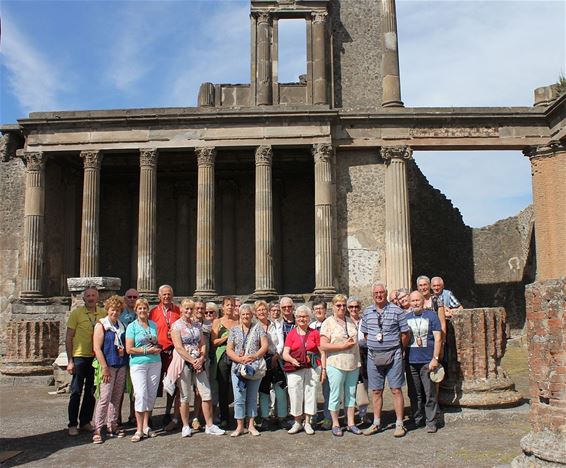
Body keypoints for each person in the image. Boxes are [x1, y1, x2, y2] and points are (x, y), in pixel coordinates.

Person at [169, 299, 225, 437]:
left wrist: (201, 357)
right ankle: (185, 426)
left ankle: (209, 425)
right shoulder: (176, 326)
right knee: (185, 395)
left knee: (206, 393)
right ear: (181, 309)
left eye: (190, 309)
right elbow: (179, 347)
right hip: (184, 363)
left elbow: (203, 343)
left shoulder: (196, 325)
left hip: (199, 362)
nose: (189, 311)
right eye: (186, 309)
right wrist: (192, 360)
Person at [360, 281, 410, 437]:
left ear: (386, 293)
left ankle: (400, 424)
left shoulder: (397, 311)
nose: (379, 295)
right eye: (376, 293)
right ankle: (376, 423)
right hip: (373, 355)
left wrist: (398, 349)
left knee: (396, 389)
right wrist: (375, 345)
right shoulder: (367, 312)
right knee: (376, 391)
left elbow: (405, 334)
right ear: (372, 295)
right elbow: (366, 334)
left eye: (381, 292)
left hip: (393, 354)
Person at [66, 287, 107, 436]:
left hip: (95, 357)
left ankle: (85, 421)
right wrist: (70, 360)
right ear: (84, 299)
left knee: (91, 391)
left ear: (98, 298)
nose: (90, 298)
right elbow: (69, 337)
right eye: (88, 296)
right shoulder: (76, 314)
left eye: (93, 295)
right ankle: (72, 423)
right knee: (76, 391)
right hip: (79, 356)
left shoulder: (102, 313)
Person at [320, 294, 361, 436]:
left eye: (344, 305)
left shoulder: (350, 321)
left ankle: (351, 423)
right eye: (338, 305)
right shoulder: (328, 323)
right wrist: (343, 346)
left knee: (351, 394)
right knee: (336, 394)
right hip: (336, 363)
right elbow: (323, 345)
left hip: (353, 363)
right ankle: (336, 423)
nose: (342, 308)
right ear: (333, 307)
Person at [226, 303, 269, 437]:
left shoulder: (258, 328)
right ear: (240, 315)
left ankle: (251, 425)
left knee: (251, 397)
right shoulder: (234, 330)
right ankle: (239, 427)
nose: (245, 316)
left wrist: (254, 356)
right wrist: (239, 359)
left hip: (254, 367)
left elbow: (265, 346)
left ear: (252, 315)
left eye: (248, 314)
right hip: (238, 368)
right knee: (239, 398)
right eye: (243, 314)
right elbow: (229, 349)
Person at [92, 295, 129, 443]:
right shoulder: (101, 325)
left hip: (120, 364)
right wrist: (104, 367)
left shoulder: (121, 325)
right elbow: (97, 348)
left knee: (116, 397)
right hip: (107, 365)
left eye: (118, 310)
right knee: (104, 398)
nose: (115, 313)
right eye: (113, 310)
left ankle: (112, 424)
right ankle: (97, 428)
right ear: (108, 310)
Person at [125, 298, 162, 442]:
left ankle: (146, 425)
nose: (142, 311)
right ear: (136, 310)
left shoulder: (153, 325)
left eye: (145, 308)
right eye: (139, 308)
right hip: (138, 364)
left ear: (148, 310)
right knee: (140, 394)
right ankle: (139, 429)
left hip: (155, 363)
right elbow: (129, 349)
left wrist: (157, 348)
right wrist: (147, 351)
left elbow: (156, 343)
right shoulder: (132, 327)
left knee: (151, 395)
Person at [405, 291, 442, 433]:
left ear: (422, 301)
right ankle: (417, 419)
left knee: (429, 393)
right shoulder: (406, 317)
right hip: (411, 360)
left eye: (417, 300)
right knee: (414, 393)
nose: (415, 303)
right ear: (409, 302)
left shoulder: (431, 316)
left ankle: (431, 421)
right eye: (413, 300)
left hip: (428, 360)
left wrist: (435, 358)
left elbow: (438, 338)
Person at [282, 305, 322, 435]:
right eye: (299, 316)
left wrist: (324, 368)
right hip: (295, 368)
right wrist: (293, 361)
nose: (302, 319)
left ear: (309, 318)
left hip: (312, 368)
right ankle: (297, 422)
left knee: (310, 393)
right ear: (295, 317)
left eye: (304, 316)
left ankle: (308, 422)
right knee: (295, 394)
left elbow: (322, 352)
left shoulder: (314, 333)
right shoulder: (292, 334)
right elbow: (285, 353)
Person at [149, 284, 181, 430]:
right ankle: (148, 414)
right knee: (154, 384)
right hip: (157, 351)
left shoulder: (178, 310)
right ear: (159, 296)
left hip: (173, 351)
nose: (167, 296)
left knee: (172, 384)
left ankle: (168, 412)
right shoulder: (153, 312)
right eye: (164, 294)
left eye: (169, 294)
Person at [255, 300, 287, 429]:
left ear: (268, 312)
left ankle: (282, 416)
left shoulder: (275, 325)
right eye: (259, 310)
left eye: (264, 310)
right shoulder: (254, 327)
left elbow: (280, 342)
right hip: (261, 361)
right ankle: (265, 417)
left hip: (275, 358)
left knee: (280, 389)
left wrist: (276, 355)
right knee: (264, 390)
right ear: (255, 313)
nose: (262, 312)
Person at [211, 296, 239, 428]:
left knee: (237, 386)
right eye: (228, 305)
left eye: (232, 305)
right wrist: (228, 337)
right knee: (223, 386)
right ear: (223, 307)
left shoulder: (237, 321)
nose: (230, 307)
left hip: (235, 356)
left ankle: (239, 415)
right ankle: (224, 417)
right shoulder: (217, 322)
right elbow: (214, 341)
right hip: (222, 355)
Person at [347, 296, 369, 423]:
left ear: (360, 308)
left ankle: (363, 413)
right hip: (349, 356)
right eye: (351, 307)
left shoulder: (364, 321)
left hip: (363, 355)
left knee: (363, 385)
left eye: (356, 306)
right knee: (349, 386)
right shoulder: (344, 321)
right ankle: (349, 415)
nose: (354, 309)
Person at [310, 298, 331, 430]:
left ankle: (328, 418)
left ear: (325, 310)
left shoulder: (330, 324)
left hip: (328, 360)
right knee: (311, 390)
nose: (318, 311)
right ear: (313, 311)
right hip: (313, 362)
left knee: (327, 391)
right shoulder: (310, 326)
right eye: (316, 309)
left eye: (321, 308)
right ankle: (312, 417)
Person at [119, 288, 139, 427]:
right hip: (121, 356)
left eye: (134, 297)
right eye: (129, 297)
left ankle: (133, 415)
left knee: (135, 387)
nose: (132, 299)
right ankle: (117, 416)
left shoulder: (143, 313)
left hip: (136, 355)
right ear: (125, 299)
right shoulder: (119, 314)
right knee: (119, 388)